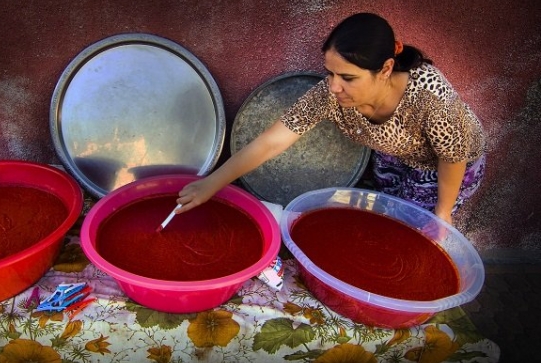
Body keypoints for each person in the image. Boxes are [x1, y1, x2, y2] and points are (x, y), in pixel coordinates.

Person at [176, 12, 486, 226]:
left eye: (348, 77)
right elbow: (274, 141)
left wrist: (443, 215)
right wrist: (211, 184)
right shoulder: (330, 93)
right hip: (396, 152)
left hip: (446, 165)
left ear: (387, 68)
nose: (334, 86)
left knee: (414, 226)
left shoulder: (431, 98)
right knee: (384, 212)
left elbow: (453, 156)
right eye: (330, 73)